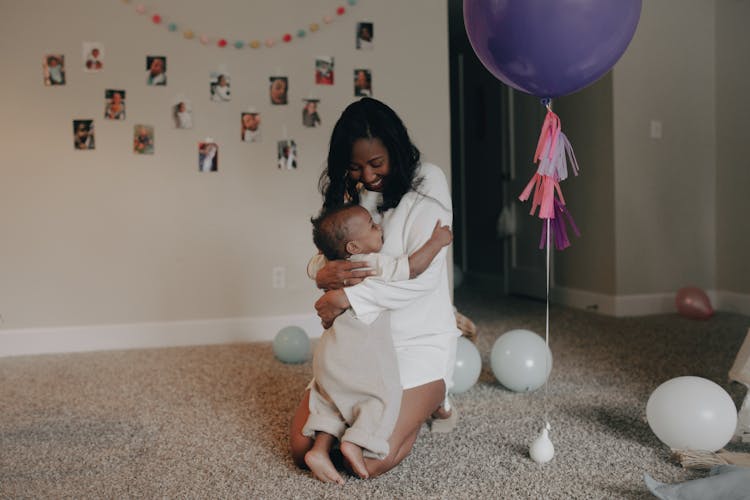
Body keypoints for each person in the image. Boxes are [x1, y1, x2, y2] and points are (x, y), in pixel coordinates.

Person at [290, 97, 460, 481]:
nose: (366, 176)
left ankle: (433, 399)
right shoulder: (353, 192)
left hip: (415, 338)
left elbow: (424, 276)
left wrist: (343, 296)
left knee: (370, 460)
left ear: (395, 151)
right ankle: (395, 409)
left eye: (376, 164)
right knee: (302, 451)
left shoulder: (428, 181)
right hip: (360, 345)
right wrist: (322, 276)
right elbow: (325, 260)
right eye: (355, 167)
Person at [303, 203, 452, 483]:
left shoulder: (333, 267)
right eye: (372, 226)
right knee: (382, 396)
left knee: (331, 399)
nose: (379, 227)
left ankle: (319, 450)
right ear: (354, 248)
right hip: (356, 351)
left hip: (328, 350)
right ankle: (355, 443)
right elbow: (413, 267)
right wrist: (437, 241)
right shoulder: (371, 263)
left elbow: (315, 269)